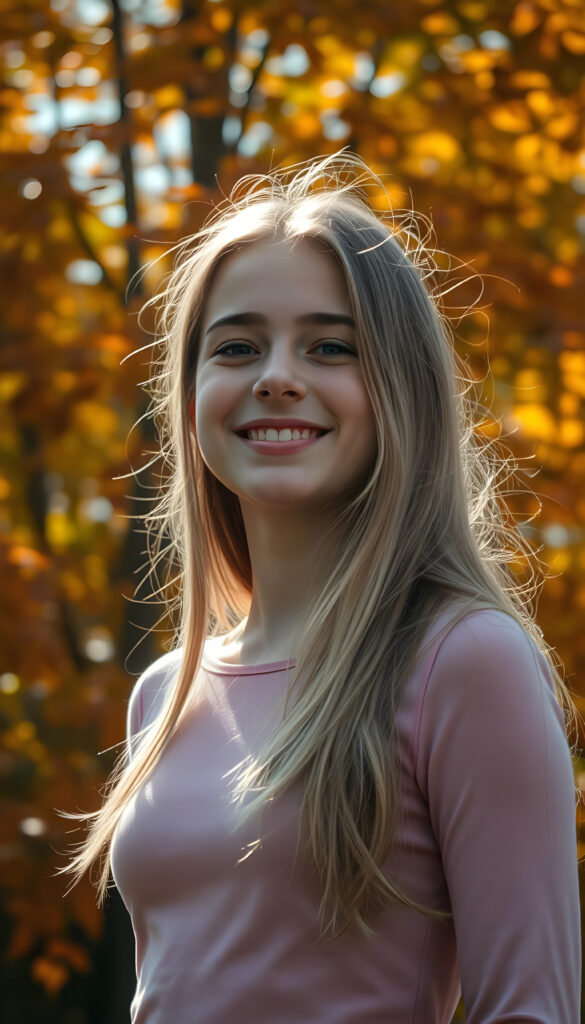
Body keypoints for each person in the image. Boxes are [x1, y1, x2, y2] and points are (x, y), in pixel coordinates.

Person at [60, 151, 581, 1023]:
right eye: (236, 346)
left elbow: (530, 1009)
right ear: (188, 396)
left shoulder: (463, 661)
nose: (275, 374)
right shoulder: (163, 694)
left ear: (400, 391)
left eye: (329, 345)